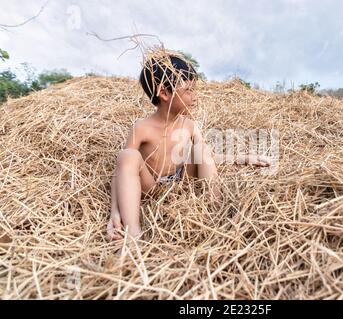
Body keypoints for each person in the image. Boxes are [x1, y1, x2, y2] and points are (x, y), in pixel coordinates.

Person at [107, 49, 271, 240]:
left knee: (201, 149)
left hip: (181, 181)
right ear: (164, 93)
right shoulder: (141, 128)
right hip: (150, 186)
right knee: (127, 156)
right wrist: (114, 211)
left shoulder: (190, 125)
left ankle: (215, 212)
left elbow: (207, 157)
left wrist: (245, 158)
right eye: (188, 91)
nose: (195, 97)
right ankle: (133, 233)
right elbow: (122, 171)